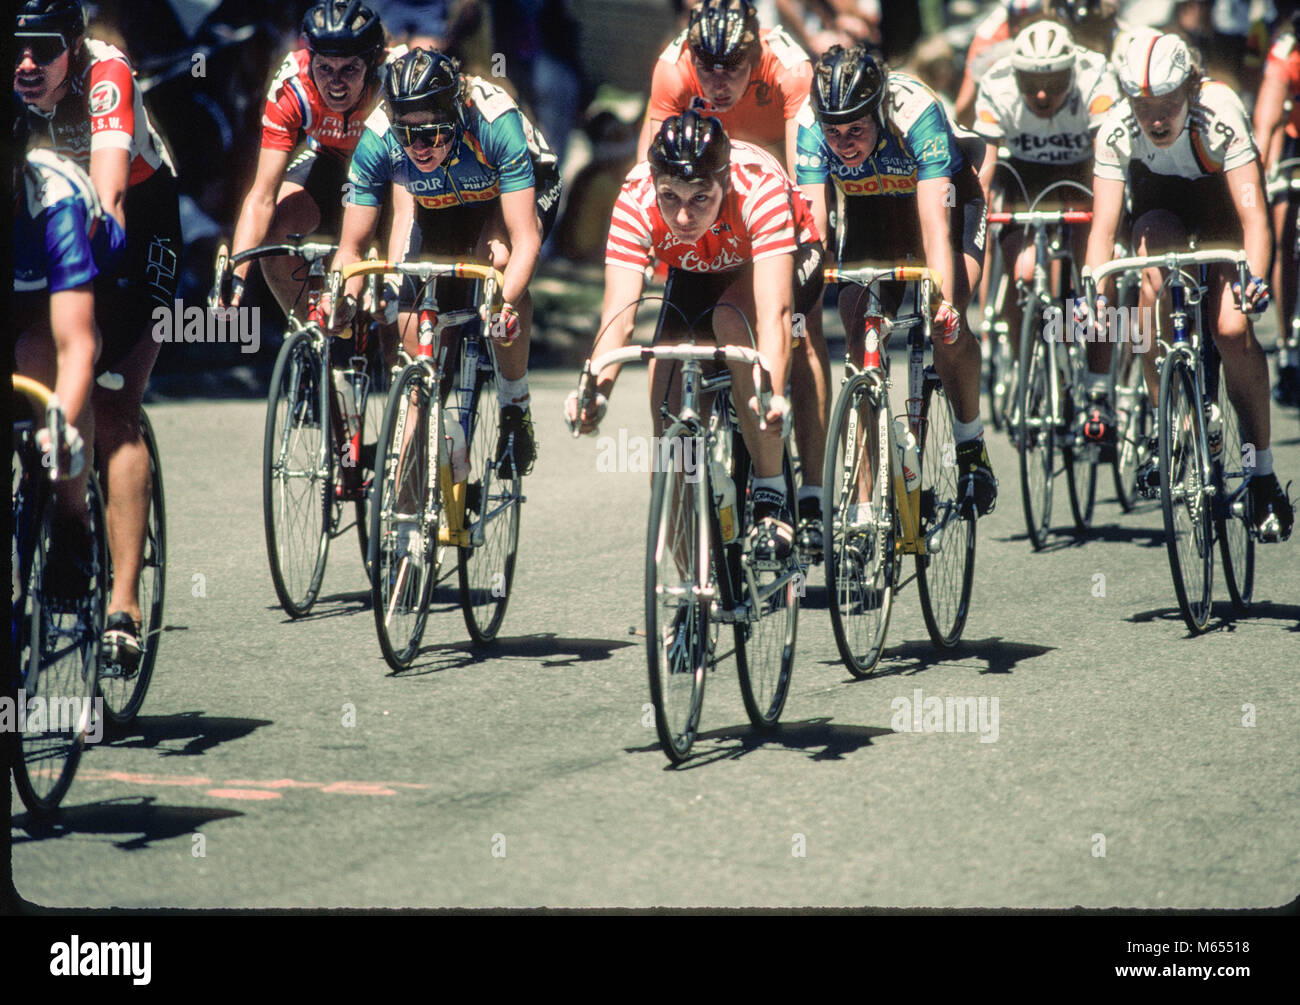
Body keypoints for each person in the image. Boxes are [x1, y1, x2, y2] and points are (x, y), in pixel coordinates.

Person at [567, 110, 825, 562]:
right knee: (666, 412)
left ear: (724, 182)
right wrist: (595, 391)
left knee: (732, 321)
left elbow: (775, 313)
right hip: (695, 271)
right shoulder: (636, 195)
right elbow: (620, 313)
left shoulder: (756, 186)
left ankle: (771, 492)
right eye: (670, 197)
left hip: (778, 261)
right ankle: (690, 598)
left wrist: (771, 392)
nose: (683, 215)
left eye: (700, 198)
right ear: (655, 184)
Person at [15, 0, 182, 669]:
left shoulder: (106, 76)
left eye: (44, 48)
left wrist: (84, 248)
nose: (26, 64)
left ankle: (121, 602)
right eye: (17, 49)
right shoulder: (20, 72)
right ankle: (54, 500)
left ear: (76, 45)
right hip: (47, 217)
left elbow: (109, 203)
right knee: (32, 362)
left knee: (112, 401)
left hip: (131, 225)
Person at [640, 0, 833, 560]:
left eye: (734, 65)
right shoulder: (673, 68)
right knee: (675, 348)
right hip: (702, 211)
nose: (719, 81)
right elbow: (647, 171)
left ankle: (814, 497)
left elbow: (808, 182)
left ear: (759, 51)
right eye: (708, 66)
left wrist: (798, 253)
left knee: (799, 327)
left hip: (776, 208)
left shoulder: (791, 70)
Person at [1083, 28, 1293, 541]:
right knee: (1151, 277)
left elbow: (1255, 219)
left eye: (1167, 102)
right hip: (1161, 208)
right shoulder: (1114, 130)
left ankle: (1260, 470)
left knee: (1230, 326)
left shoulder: (1219, 111)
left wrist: (1256, 280)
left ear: (1190, 89)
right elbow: (1103, 227)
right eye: (1142, 103)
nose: (1154, 117)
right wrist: (1093, 293)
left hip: (1222, 207)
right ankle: (1170, 427)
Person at [326, 46, 561, 478]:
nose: (417, 147)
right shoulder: (378, 137)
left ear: (454, 115)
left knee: (499, 257)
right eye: (405, 135)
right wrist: (341, 297)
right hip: (441, 201)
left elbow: (526, 238)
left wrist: (503, 305)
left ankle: (514, 405)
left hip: (507, 195)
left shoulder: (492, 122)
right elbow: (351, 250)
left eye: (430, 133)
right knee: (412, 314)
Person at [796, 44, 999, 515]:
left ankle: (970, 449)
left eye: (857, 129)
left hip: (942, 202)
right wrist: (797, 303)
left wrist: (945, 301)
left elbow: (934, 228)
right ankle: (865, 504)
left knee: (947, 316)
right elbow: (814, 233)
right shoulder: (810, 125)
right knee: (854, 322)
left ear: (879, 108)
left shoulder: (915, 112)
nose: (844, 143)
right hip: (871, 213)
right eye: (835, 132)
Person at [974, 20, 1120, 441]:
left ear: (1072, 73)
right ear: (1014, 74)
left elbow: (1107, 162)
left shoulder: (1096, 77)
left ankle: (1096, 389)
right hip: (1023, 179)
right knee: (1021, 273)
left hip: (1084, 173)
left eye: (1054, 81)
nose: (1041, 94)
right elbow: (983, 175)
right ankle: (1028, 369)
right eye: (1030, 82)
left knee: (1094, 268)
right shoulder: (997, 85)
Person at [13, 91, 126, 599]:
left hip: (83, 283)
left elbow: (75, 346)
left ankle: (70, 522)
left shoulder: (53, 201)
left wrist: (61, 422)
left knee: (38, 356)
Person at [219, 1, 393, 319]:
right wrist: (237, 277)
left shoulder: (391, 84)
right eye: (325, 68)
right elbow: (261, 197)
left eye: (349, 70)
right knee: (277, 233)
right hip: (329, 162)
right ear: (310, 60)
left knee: (389, 316)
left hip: (389, 176)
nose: (335, 83)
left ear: (371, 64)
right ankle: (311, 334)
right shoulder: (292, 87)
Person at [1253, 6, 1300, 405]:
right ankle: (1287, 341)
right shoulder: (1286, 51)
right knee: (1284, 223)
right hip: (1293, 141)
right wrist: (1264, 172)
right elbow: (1267, 116)